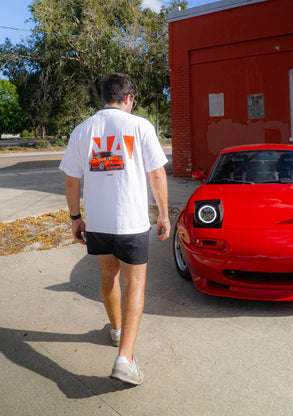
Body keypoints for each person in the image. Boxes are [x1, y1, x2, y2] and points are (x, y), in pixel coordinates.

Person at [59, 73, 171, 385]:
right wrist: (163, 214)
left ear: (105, 97)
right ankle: (125, 358)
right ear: (128, 99)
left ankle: (116, 329)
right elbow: (157, 174)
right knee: (134, 285)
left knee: (108, 276)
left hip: (98, 222)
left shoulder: (83, 130)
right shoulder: (140, 126)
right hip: (131, 222)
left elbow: (71, 180)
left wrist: (74, 218)